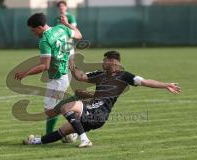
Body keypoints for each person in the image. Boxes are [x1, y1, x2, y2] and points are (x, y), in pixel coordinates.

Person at [22, 51, 181, 148]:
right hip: (93, 111)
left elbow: (146, 82)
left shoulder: (125, 76)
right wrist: (71, 64)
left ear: (112, 61)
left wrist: (165, 85)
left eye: (105, 60)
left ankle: (84, 139)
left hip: (99, 112)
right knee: (62, 132)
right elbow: (80, 76)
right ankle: (35, 141)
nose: (103, 62)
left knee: (66, 107)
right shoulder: (100, 74)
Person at [15, 13, 82, 135]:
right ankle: (56, 131)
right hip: (63, 75)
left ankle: (77, 106)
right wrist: (67, 24)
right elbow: (79, 35)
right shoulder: (61, 28)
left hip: (57, 79)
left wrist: (25, 73)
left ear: (40, 27)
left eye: (33, 30)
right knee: (53, 109)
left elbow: (44, 66)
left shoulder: (45, 40)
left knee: (50, 111)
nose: (32, 32)